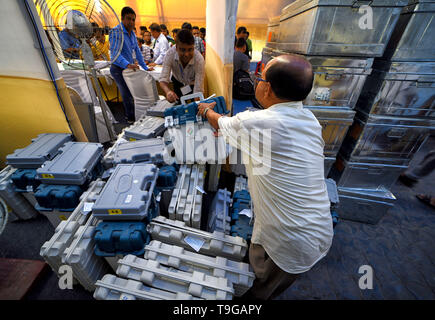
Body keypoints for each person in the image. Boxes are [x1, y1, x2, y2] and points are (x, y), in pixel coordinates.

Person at [197, 54, 334, 300]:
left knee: (260, 290)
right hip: (316, 229)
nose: (256, 81)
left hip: (291, 240)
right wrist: (234, 132)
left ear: (268, 88)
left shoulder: (259, 122)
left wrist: (206, 111)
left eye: (258, 78)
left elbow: (221, 123)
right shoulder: (308, 120)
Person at [109, 6, 151, 123]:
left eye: (133, 19)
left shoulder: (132, 33)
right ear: (122, 18)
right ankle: (130, 119)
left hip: (128, 67)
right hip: (118, 69)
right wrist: (128, 65)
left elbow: (137, 51)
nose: (131, 22)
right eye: (129, 19)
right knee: (126, 94)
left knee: (132, 93)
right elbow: (115, 55)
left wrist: (145, 67)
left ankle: (133, 116)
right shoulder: (116, 32)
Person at [159, 29, 205, 103]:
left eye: (190, 50)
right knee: (179, 103)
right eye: (183, 50)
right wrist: (168, 92)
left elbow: (198, 90)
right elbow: (163, 79)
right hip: (177, 81)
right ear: (176, 47)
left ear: (194, 47)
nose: (186, 54)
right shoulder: (170, 54)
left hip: (192, 83)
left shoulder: (199, 59)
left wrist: (196, 105)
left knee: (195, 105)